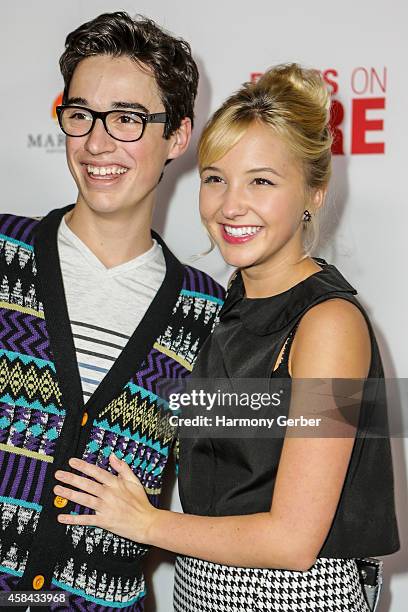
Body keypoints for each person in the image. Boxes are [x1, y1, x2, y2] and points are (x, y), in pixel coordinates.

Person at [53, 64, 399, 611]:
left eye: (261, 180)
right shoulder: (217, 309)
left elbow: (292, 543)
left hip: (297, 598)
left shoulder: (331, 324)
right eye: (215, 178)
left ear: (314, 192)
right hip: (199, 590)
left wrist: (144, 521)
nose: (230, 205)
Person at [0, 11, 224, 611]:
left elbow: (292, 456)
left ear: (177, 138)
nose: (97, 143)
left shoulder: (206, 312)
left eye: (126, 119)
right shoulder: (3, 256)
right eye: (81, 115)